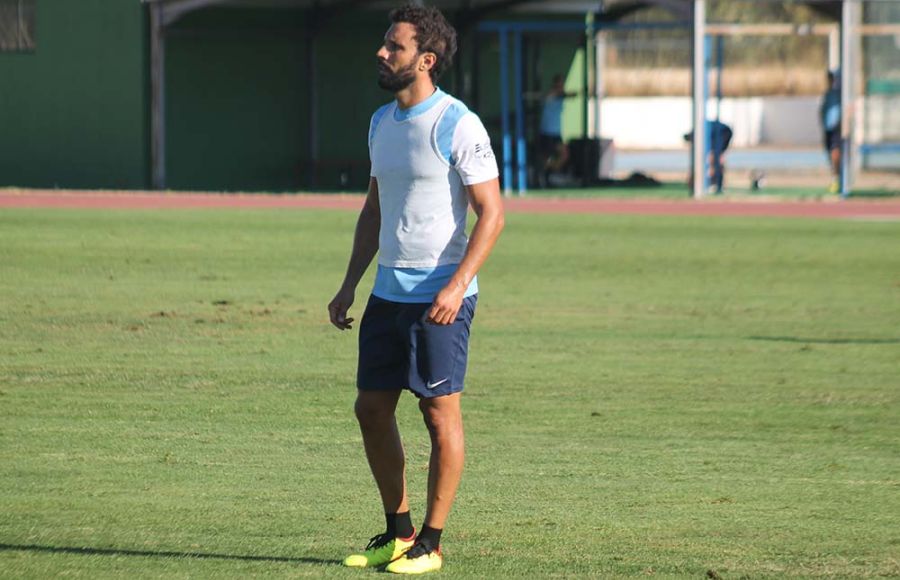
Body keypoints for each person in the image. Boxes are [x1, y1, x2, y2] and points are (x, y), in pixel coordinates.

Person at [327, 3, 503, 575]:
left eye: (394, 46)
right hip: (387, 294)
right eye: (384, 43)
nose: (382, 52)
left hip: (441, 296)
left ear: (425, 59)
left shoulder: (459, 123)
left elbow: (492, 214)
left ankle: (433, 540)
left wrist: (456, 287)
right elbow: (375, 210)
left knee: (437, 411)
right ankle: (398, 533)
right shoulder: (380, 122)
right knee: (371, 408)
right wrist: (349, 284)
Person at [537, 74, 577, 186]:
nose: (562, 86)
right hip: (546, 132)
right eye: (560, 83)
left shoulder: (561, 96)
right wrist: (562, 94)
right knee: (546, 157)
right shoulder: (551, 94)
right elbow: (552, 96)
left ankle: (548, 172)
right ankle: (543, 174)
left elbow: (571, 94)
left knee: (564, 155)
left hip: (556, 133)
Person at [684, 119, 733, 194]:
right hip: (719, 132)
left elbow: (714, 157)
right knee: (715, 159)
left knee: (716, 160)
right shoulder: (698, 137)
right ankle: (717, 182)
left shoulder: (699, 136)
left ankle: (718, 183)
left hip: (721, 132)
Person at [820, 70, 842, 193]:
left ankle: (837, 180)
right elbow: (823, 110)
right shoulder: (827, 93)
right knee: (830, 154)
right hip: (827, 129)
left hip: (835, 129)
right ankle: (835, 179)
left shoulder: (839, 94)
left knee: (835, 154)